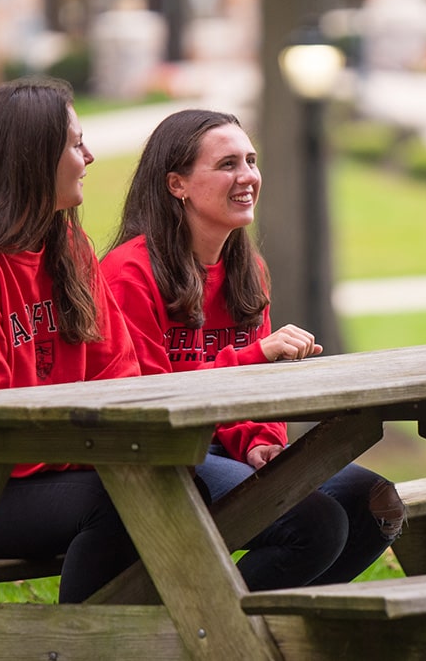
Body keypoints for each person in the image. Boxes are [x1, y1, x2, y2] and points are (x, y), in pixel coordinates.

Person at [101, 108, 404, 591]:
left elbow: (257, 395)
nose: (247, 177)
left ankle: (278, 631)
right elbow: (149, 402)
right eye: (227, 165)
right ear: (176, 184)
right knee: (315, 523)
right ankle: (210, 630)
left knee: (373, 502)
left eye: (251, 160)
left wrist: (260, 439)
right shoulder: (128, 274)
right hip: (160, 459)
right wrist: (255, 356)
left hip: (223, 447)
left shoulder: (248, 269)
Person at [0, 77, 141, 603]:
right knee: (126, 499)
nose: (90, 156)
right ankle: (75, 646)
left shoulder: (69, 248)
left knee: (182, 486)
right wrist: (93, 454)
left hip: (61, 465)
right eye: (76, 144)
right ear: (32, 158)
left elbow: (118, 373)